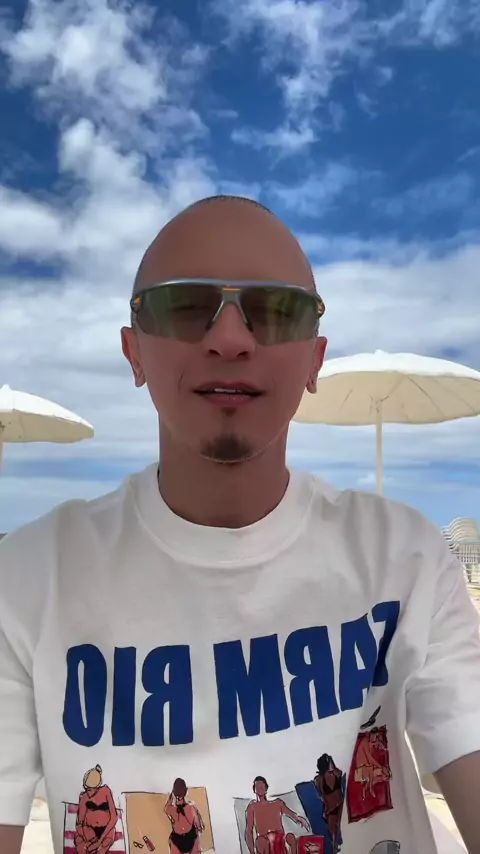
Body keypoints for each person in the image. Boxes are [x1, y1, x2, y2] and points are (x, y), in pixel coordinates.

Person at [0, 194, 480, 854]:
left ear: (314, 360)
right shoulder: (25, 582)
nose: (230, 339)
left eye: (277, 311)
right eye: (184, 306)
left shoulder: (409, 561)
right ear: (133, 352)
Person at [245, 776, 309, 854]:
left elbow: (292, 815)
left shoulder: (277, 803)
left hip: (280, 838)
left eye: (262, 786)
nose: (260, 788)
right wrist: (252, 852)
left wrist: (300, 819)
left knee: (290, 837)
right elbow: (248, 831)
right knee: (260, 842)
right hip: (264, 839)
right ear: (254, 789)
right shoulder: (252, 806)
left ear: (266, 788)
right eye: (257, 787)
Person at [164, 778, 204, 854]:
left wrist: (172, 795)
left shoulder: (172, 810)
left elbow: (166, 808)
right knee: (196, 838)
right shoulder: (191, 808)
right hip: (190, 838)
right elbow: (199, 826)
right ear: (186, 792)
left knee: (173, 841)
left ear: (174, 793)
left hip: (177, 839)